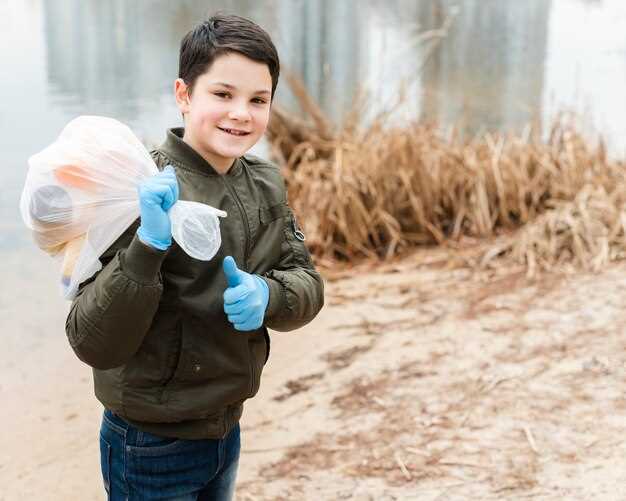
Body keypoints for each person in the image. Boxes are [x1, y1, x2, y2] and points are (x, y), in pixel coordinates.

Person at [65, 14, 324, 501]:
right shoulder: (136, 188)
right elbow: (90, 341)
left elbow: (307, 281)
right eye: (223, 95)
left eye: (258, 100)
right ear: (184, 95)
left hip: (226, 427)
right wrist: (148, 246)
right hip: (149, 441)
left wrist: (269, 294)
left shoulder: (265, 183)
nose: (241, 114)